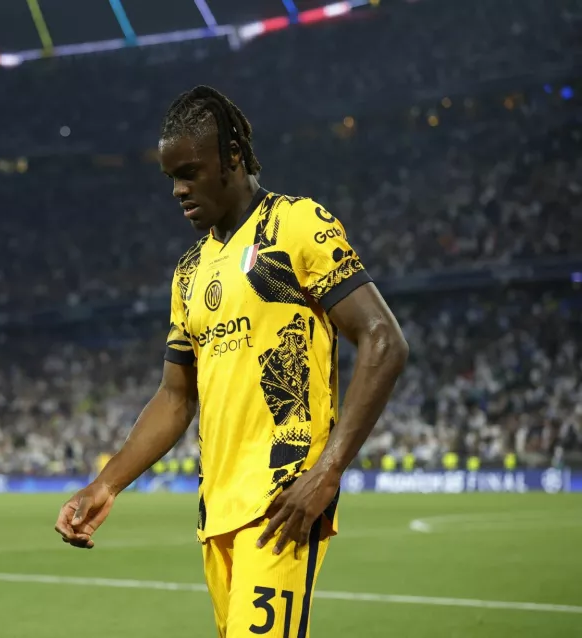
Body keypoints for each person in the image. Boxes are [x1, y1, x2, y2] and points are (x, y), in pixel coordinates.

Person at [54, 85, 409, 637]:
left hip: (282, 506)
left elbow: (383, 340)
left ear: (234, 157)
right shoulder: (190, 272)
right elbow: (175, 397)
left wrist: (328, 471)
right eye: (171, 177)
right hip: (215, 514)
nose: (178, 189)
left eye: (191, 171)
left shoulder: (296, 225)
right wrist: (106, 484)